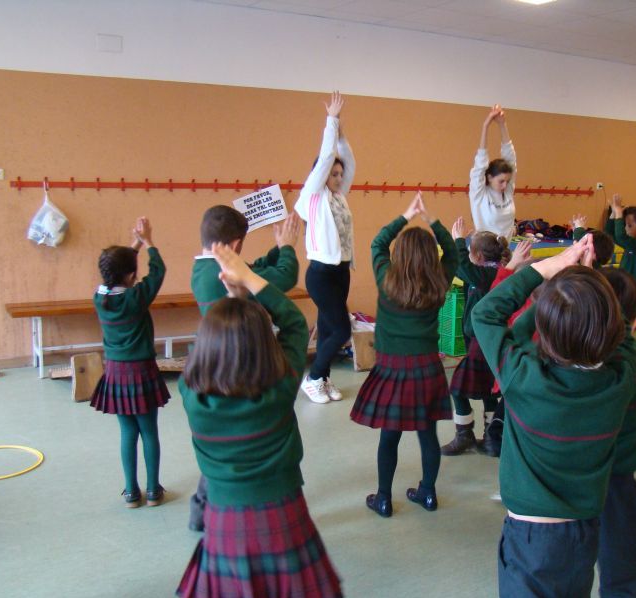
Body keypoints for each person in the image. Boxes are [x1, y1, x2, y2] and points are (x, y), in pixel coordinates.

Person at [471, 235, 636, 598]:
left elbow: (485, 314)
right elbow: (618, 330)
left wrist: (550, 271)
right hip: (585, 530)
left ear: (544, 332)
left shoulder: (524, 378)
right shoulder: (623, 377)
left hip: (532, 538)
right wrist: (586, 284)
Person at [178, 244, 342, 598]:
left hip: (225, 520)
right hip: (282, 514)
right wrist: (249, 282)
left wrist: (233, 298)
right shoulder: (281, 385)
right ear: (266, 345)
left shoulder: (192, 396)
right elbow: (295, 322)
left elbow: (201, 354)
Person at [188, 206, 300, 532]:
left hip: (220, 369)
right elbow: (283, 280)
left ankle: (199, 512)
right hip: (251, 371)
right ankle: (203, 507)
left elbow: (255, 269)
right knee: (255, 441)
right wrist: (287, 248)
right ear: (236, 245)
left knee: (223, 450)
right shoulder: (280, 387)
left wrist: (270, 254)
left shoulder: (202, 269)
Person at [350, 193, 457, 517]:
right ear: (431, 257)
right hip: (428, 370)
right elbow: (453, 251)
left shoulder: (387, 279)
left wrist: (407, 215)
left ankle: (383, 498)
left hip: (392, 370)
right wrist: (432, 220)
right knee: (428, 434)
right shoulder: (439, 282)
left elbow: (377, 244)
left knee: (390, 436)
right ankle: (428, 493)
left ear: (400, 254)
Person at [90, 217, 169, 508]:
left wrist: (134, 244)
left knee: (127, 433)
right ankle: (153, 491)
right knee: (149, 432)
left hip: (115, 373)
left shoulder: (100, 297)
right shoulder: (136, 297)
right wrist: (148, 242)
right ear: (132, 275)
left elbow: (117, 272)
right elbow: (158, 271)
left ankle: (131, 492)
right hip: (142, 371)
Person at [294, 91, 356, 404]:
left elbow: (350, 163)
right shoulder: (313, 196)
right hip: (321, 273)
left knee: (329, 328)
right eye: (333, 173)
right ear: (321, 174)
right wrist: (331, 121)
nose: (338, 177)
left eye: (340, 174)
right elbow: (325, 160)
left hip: (341, 271)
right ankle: (314, 377)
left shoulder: (339, 197)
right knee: (342, 330)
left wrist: (341, 133)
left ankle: (324, 378)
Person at [598, 267, 636, 598]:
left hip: (576, 480)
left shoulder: (571, 361)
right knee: (626, 571)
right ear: (634, 323)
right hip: (618, 482)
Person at [441, 219, 510, 457]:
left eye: (471, 251)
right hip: (483, 342)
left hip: (481, 345)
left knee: (457, 389)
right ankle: (491, 438)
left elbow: (461, 264)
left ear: (478, 256)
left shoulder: (486, 275)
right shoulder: (488, 272)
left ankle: (465, 435)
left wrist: (458, 240)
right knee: (488, 391)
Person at [469, 105, 517, 238]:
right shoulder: (479, 194)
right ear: (489, 177)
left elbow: (510, 157)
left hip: (505, 250)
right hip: (483, 250)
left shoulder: (507, 191)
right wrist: (486, 126)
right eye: (501, 181)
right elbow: (480, 162)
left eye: (507, 181)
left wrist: (502, 124)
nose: (505, 185)